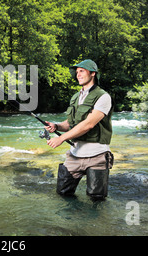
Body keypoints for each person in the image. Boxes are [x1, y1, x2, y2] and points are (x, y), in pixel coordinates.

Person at [45, 59, 114, 201]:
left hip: (97, 156)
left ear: (93, 73)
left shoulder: (103, 97)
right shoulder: (76, 97)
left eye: (82, 71)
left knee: (97, 200)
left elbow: (89, 124)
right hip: (74, 155)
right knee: (63, 195)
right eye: (77, 72)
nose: (78, 75)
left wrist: (61, 138)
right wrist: (57, 126)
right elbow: (70, 124)